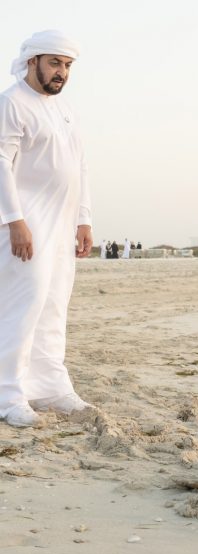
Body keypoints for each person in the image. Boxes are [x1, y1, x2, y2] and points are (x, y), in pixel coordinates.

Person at [0, 30, 94, 427]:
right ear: (32, 61)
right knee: (25, 305)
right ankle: (8, 394)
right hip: (27, 221)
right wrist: (13, 220)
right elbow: (0, 161)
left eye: (67, 65)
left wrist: (84, 218)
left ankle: (51, 386)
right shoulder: (11, 102)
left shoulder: (65, 109)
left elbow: (79, 166)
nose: (61, 72)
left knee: (54, 304)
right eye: (55, 63)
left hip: (62, 223)